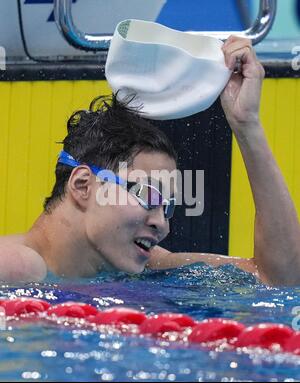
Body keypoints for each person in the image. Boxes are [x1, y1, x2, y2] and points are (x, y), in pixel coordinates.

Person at [1, 36, 300, 285]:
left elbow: (279, 279)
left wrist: (247, 125)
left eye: (166, 206)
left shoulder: (140, 266)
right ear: (82, 186)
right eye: (146, 195)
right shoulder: (16, 269)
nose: (162, 224)